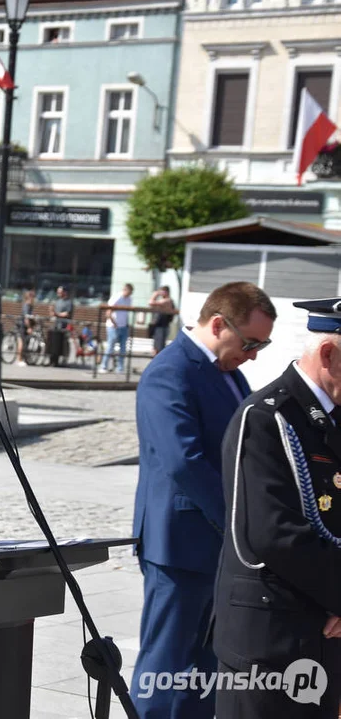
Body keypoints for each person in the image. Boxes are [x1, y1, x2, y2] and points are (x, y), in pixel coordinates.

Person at [131, 281, 276, 718]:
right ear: (218, 324)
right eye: (250, 342)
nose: (253, 354)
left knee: (205, 669)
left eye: (261, 346)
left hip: (216, 546)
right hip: (179, 545)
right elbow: (184, 462)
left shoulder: (227, 373)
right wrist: (238, 521)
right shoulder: (170, 372)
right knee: (165, 666)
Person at [212, 297, 341, 718]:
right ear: (329, 354)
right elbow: (274, 534)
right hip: (270, 644)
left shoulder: (332, 418)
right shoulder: (267, 418)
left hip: (322, 639)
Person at [101, 283, 134, 373]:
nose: (129, 294)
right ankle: (103, 366)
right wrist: (114, 322)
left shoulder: (129, 299)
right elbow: (108, 312)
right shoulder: (117, 297)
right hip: (113, 326)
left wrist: (127, 324)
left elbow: (126, 313)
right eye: (129, 292)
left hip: (123, 326)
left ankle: (120, 367)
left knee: (123, 347)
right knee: (110, 346)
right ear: (125, 290)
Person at [147, 286, 176, 356]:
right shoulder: (163, 301)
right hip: (159, 326)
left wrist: (155, 294)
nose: (161, 293)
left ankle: (158, 360)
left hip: (163, 326)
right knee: (156, 346)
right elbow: (151, 305)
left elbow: (151, 302)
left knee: (160, 347)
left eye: (162, 291)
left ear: (167, 292)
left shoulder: (168, 300)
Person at [15, 288, 37, 366]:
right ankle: (19, 359)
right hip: (22, 326)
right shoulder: (27, 305)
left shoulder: (28, 305)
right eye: (33, 297)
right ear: (30, 297)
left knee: (23, 342)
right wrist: (29, 327)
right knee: (21, 342)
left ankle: (21, 359)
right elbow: (26, 318)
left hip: (23, 325)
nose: (34, 299)